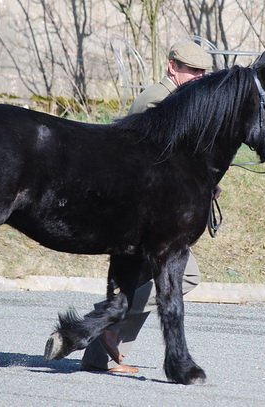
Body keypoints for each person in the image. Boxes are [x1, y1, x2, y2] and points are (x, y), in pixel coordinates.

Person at [81, 41, 213, 374]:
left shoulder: (181, 101)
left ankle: (98, 346)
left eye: (203, 72)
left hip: (159, 213)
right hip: (143, 213)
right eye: (193, 71)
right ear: (173, 67)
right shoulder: (157, 100)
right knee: (185, 276)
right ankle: (101, 324)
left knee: (155, 280)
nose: (200, 78)